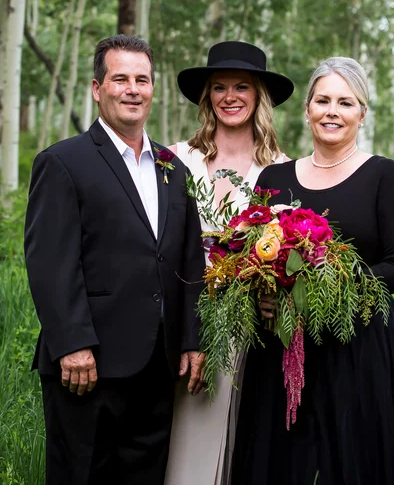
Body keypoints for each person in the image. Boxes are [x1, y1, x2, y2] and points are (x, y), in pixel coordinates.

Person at [230, 57, 394, 485]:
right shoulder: (275, 177)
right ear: (307, 110)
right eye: (322, 101)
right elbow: (251, 257)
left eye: (345, 102)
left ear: (362, 113)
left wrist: (327, 286)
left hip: (359, 346)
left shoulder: (383, 176)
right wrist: (262, 293)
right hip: (282, 352)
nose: (332, 111)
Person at [24, 35, 206, 485]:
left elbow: (187, 262)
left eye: (141, 79)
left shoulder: (172, 167)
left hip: (157, 365)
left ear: (152, 88)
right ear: (96, 88)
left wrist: (191, 339)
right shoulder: (63, 162)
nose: (132, 89)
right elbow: (50, 261)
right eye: (120, 78)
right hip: (88, 365)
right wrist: (72, 344)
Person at [164, 41, 294, 485]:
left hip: (251, 326)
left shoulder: (282, 170)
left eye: (242, 86)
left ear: (259, 96)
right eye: (219, 87)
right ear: (207, 97)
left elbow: (289, 253)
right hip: (184, 319)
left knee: (248, 444)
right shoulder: (176, 160)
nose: (230, 96)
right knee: (183, 440)